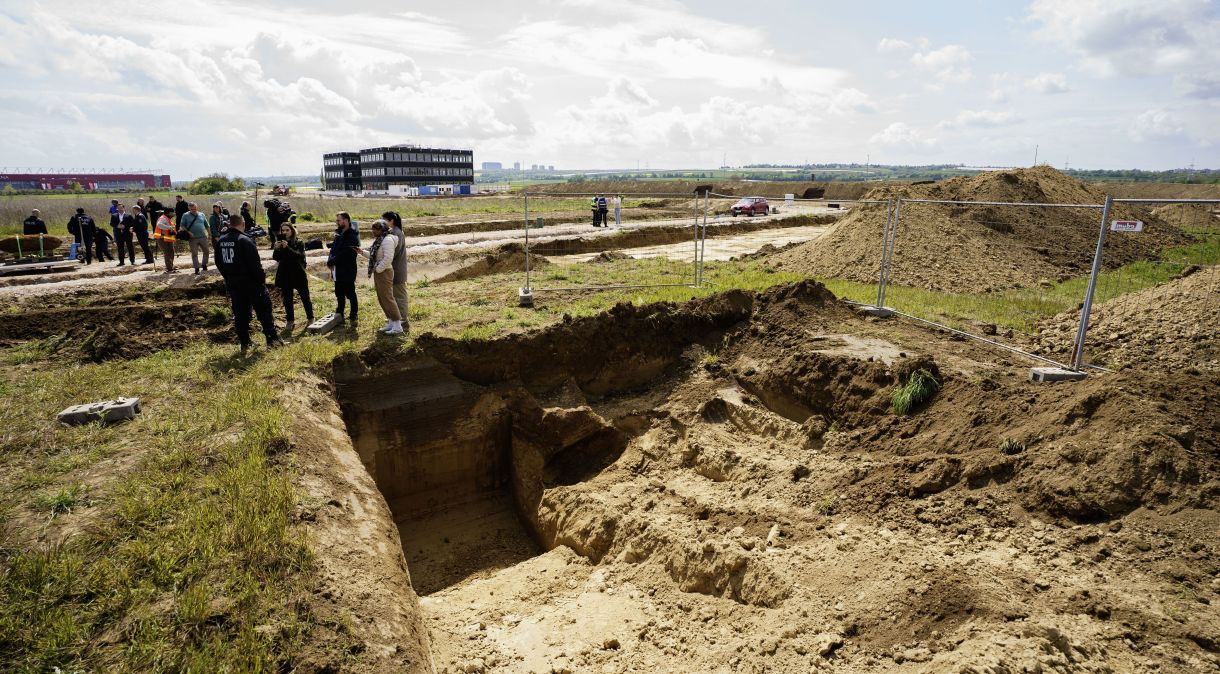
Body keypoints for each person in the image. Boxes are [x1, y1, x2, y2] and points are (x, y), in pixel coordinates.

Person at [215, 213, 282, 354]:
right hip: (251, 282)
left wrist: (228, 277)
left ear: (229, 224)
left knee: (240, 313)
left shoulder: (221, 241)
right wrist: (261, 281)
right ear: (243, 223)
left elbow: (219, 263)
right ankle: (272, 339)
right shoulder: (245, 240)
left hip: (233, 283)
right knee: (264, 310)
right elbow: (255, 265)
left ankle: (244, 342)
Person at [356, 220, 403, 334]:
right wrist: (362, 252)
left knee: (387, 298)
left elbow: (387, 258)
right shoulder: (380, 239)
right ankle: (391, 322)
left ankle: (397, 326)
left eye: (375, 229)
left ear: (381, 229)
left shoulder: (387, 240)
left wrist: (377, 269)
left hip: (384, 272)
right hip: (380, 272)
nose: (372, 231)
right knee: (382, 298)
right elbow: (374, 256)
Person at [272, 222, 314, 330]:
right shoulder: (279, 243)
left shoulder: (299, 242)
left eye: (287, 230)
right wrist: (277, 248)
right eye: (283, 230)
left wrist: (287, 248)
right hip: (285, 274)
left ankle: (310, 318)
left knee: (305, 297)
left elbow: (298, 256)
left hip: (298, 274)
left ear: (292, 231)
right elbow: (276, 258)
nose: (285, 232)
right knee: (287, 299)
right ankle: (290, 321)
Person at [326, 211, 360, 328]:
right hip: (337, 269)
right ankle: (340, 312)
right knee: (339, 292)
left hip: (347, 269)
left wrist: (333, 261)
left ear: (346, 221)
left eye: (339, 220)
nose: (337, 222)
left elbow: (346, 253)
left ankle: (353, 314)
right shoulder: (339, 234)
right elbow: (333, 250)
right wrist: (329, 260)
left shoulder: (352, 236)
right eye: (337, 220)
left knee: (350, 292)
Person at [382, 210, 409, 333]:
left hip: (397, 269)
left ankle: (402, 318)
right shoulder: (394, 232)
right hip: (394, 268)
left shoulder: (396, 233)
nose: (382, 223)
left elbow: (392, 253)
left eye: (384, 220)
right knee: (393, 295)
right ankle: (395, 318)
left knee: (399, 295)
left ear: (391, 221)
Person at [178, 201, 210, 274]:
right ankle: (196, 268)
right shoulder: (185, 215)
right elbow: (182, 226)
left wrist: (209, 234)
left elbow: (207, 225)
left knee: (206, 251)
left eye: (195, 209)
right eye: (192, 209)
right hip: (192, 238)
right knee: (194, 253)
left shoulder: (202, 214)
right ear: (189, 208)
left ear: (197, 207)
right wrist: (188, 232)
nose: (194, 210)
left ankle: (204, 264)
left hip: (203, 236)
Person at [152, 207, 178, 271]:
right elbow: (159, 225)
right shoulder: (163, 218)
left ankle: (170, 266)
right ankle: (169, 268)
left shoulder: (168, 218)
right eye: (172, 212)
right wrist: (169, 227)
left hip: (168, 238)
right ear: (168, 213)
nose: (174, 214)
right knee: (167, 252)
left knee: (171, 252)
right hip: (162, 238)